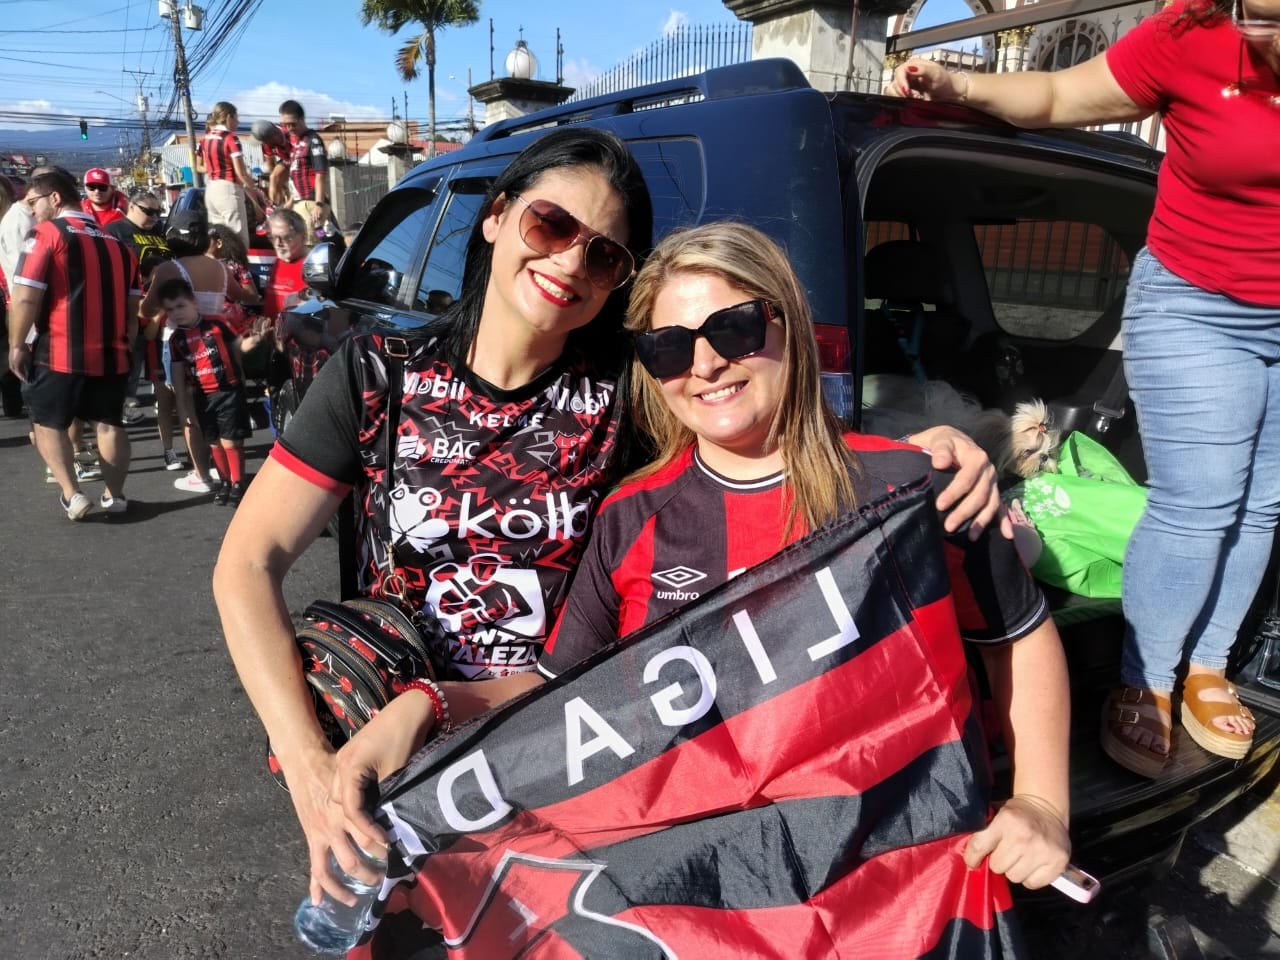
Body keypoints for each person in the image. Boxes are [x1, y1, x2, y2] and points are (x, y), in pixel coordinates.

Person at [213, 128, 1006, 916]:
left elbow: (760, 438)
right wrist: (310, 764)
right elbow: (247, 564)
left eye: (604, 256)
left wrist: (925, 452)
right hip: (396, 760)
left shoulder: (625, 391)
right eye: (551, 225)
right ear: (495, 217)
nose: (569, 264)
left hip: (569, 757)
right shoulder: (376, 375)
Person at [332, 222, 1072, 917]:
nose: (706, 363)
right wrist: (427, 704)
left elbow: (1017, 635)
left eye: (735, 329)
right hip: (700, 898)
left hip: (889, 898)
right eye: (670, 346)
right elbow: (559, 697)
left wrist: (1042, 804)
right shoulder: (631, 515)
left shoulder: (912, 486)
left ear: (790, 326)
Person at [888, 0, 1277, 778]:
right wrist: (962, 86)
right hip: (1202, 302)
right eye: (1250, 11)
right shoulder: (1190, 36)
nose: (1256, 28)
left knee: (1266, 503)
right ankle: (1147, 680)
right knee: (1198, 504)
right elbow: (1063, 96)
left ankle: (1208, 667)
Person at [7, 167, 140, 518]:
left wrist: (17, 344)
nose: (31, 210)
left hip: (59, 350)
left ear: (54, 198)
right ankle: (116, 494)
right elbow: (132, 305)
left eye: (33, 202)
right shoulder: (121, 246)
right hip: (112, 351)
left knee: (46, 422)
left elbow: (24, 297)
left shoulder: (47, 234)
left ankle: (73, 493)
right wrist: (126, 343)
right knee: (110, 423)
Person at [141, 209, 261, 495]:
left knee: (189, 411)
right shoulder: (219, 267)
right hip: (217, 342)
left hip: (181, 344)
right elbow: (243, 296)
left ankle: (203, 474)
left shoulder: (170, 269)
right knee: (219, 407)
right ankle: (229, 475)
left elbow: (146, 309)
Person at [158, 276, 267, 505]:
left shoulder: (216, 325)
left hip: (228, 391)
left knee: (231, 441)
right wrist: (184, 409)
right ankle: (225, 482)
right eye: (170, 310)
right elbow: (178, 379)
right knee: (214, 442)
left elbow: (239, 346)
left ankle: (238, 483)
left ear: (194, 303)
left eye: (180, 306)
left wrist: (255, 340)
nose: (176, 313)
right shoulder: (176, 340)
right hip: (202, 397)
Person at [198, 101, 265, 248]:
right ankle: (237, 270)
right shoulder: (230, 138)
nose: (238, 122)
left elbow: (202, 165)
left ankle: (220, 269)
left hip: (211, 189)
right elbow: (241, 173)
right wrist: (255, 192)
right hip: (228, 189)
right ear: (229, 117)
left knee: (218, 237)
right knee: (238, 239)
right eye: (236, 118)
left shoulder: (205, 140)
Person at [277, 99, 329, 245]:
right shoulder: (296, 143)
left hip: (311, 205)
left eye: (292, 123)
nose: (289, 128)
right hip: (299, 204)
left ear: (302, 119)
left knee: (309, 244)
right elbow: (297, 176)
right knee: (304, 243)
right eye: (285, 124)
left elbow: (320, 174)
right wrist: (290, 202)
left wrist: (319, 204)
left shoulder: (313, 141)